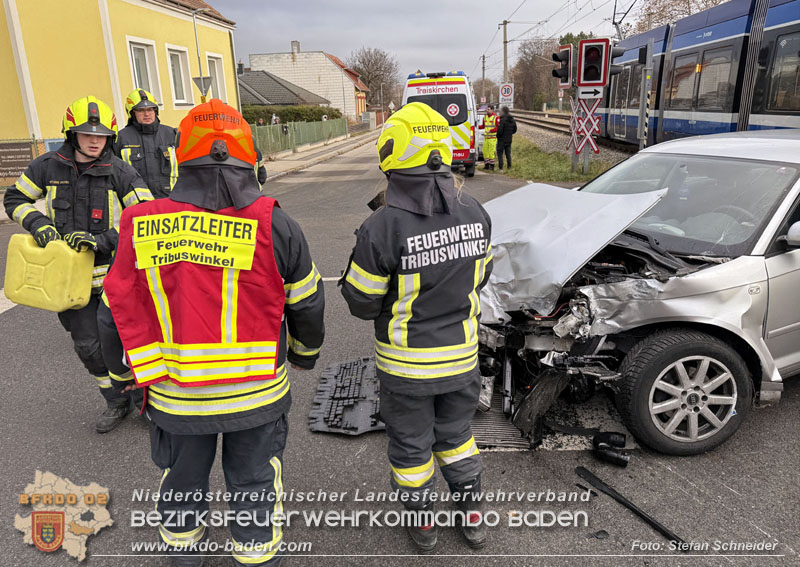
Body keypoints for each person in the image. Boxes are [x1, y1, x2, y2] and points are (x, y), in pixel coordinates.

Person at [103, 99, 324, 567]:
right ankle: (257, 556)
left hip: (176, 397)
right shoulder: (274, 221)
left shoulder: (142, 222)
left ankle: (184, 557)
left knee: (181, 484)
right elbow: (307, 301)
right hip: (256, 395)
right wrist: (304, 354)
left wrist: (122, 378)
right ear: (247, 156)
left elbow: (113, 311)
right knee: (255, 483)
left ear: (181, 156)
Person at [340, 102, 494, 553]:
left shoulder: (381, 225)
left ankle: (424, 526)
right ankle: (472, 517)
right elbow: (481, 276)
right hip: (461, 362)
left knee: (411, 449)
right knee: (457, 439)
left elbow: (361, 302)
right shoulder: (476, 211)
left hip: (407, 370)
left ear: (392, 154)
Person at [3, 95, 153, 433]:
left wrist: (103, 240)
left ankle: (143, 400)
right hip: (70, 282)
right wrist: (38, 224)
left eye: (101, 136)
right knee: (88, 347)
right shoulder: (47, 166)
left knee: (128, 345)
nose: (94, 141)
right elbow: (15, 198)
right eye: (87, 134)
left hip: (115, 277)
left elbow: (145, 216)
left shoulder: (120, 171)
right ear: (72, 134)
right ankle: (115, 401)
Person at [114, 89, 178, 198]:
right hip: (137, 202)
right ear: (132, 113)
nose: (147, 114)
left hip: (170, 201)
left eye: (150, 109)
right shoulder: (120, 139)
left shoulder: (172, 135)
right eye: (141, 110)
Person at [496, 106, 517, 171]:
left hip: (501, 140)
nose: (499, 112)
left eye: (500, 111)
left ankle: (500, 168)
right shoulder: (512, 119)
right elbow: (515, 130)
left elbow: (500, 131)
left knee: (500, 153)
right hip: (509, 139)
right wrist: (509, 134)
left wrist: (497, 136)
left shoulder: (502, 120)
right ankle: (509, 167)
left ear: (503, 112)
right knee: (508, 154)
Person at [478, 105, 497, 170]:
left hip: (492, 138)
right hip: (486, 138)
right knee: (485, 152)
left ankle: (492, 166)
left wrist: (490, 131)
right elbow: (483, 126)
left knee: (491, 153)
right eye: (487, 109)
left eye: (488, 109)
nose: (487, 110)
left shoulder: (496, 117)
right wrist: (476, 127)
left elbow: (498, 127)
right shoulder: (485, 117)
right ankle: (486, 165)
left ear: (492, 110)